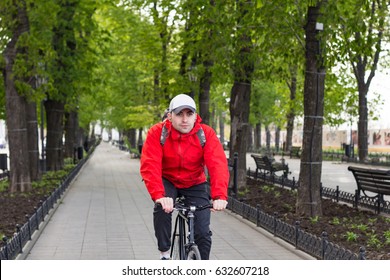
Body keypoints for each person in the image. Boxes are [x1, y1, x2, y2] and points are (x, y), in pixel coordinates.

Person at [140, 94, 229, 260]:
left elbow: (218, 165)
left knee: (202, 232)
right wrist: (159, 196)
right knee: (162, 209)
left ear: (196, 116)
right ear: (170, 116)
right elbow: (150, 165)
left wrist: (219, 196)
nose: (185, 119)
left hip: (194, 182)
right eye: (179, 114)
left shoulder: (206, 134)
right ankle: (165, 254)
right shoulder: (157, 133)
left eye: (189, 114)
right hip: (168, 179)